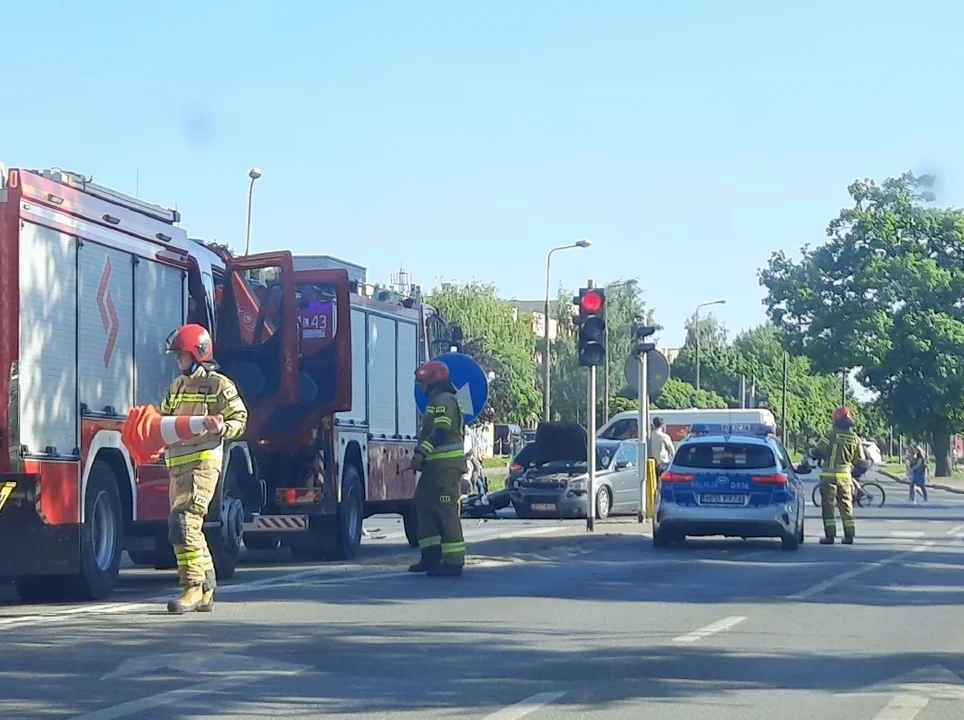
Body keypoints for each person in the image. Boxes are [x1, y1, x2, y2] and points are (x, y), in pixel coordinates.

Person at [161, 323, 248, 613]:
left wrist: (223, 427)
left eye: (181, 355)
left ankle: (192, 588)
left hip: (202, 465)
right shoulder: (176, 387)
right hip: (177, 467)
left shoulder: (219, 385)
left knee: (184, 522)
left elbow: (239, 418)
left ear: (197, 353)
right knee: (190, 526)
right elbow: (165, 419)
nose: (177, 360)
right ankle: (208, 586)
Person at [407, 360, 466, 577]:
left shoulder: (444, 401)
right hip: (434, 468)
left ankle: (453, 560)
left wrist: (421, 454)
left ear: (433, 382)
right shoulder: (436, 401)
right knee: (423, 506)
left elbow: (440, 432)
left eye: (423, 383)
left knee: (445, 511)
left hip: (446, 468)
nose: (422, 388)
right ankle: (430, 555)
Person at [811, 406, 865, 545]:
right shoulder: (855, 438)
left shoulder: (831, 434)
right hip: (846, 477)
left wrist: (813, 452)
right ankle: (849, 535)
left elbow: (819, 451)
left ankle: (830, 536)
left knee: (828, 507)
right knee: (846, 505)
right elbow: (860, 461)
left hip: (829, 477)